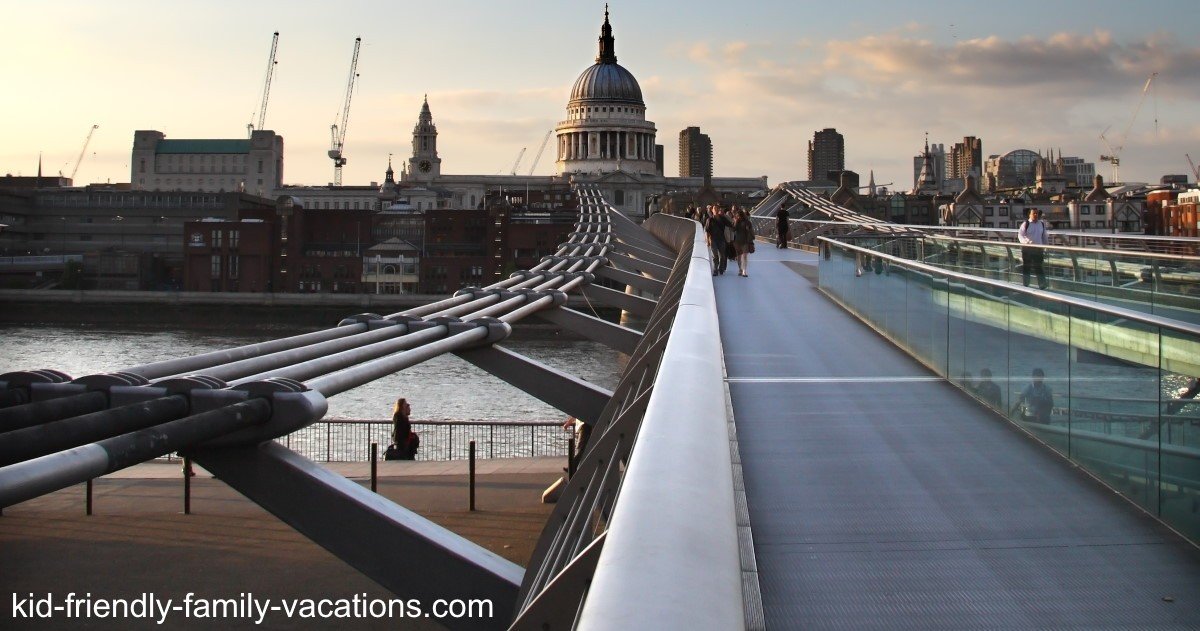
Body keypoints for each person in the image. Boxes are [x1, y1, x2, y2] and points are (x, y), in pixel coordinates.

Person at [1018, 208, 1050, 289]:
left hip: (1038, 249)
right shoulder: (1026, 224)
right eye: (1034, 213)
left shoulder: (1041, 224)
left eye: (1037, 213)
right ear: (1030, 215)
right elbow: (1020, 235)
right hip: (1027, 249)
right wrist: (1025, 242)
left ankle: (1042, 285)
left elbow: (1044, 236)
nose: (1036, 215)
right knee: (1027, 267)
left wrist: (1046, 247)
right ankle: (1026, 284)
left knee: (1039, 267)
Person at [704, 205, 732, 276]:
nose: (716, 210)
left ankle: (721, 268)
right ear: (712, 211)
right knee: (715, 256)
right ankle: (715, 270)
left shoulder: (722, 218)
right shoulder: (709, 220)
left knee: (722, 255)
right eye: (714, 209)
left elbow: (730, 224)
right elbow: (707, 231)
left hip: (721, 239)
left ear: (719, 210)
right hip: (713, 240)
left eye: (717, 209)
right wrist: (707, 241)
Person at [731, 208, 754, 277]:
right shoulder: (737, 222)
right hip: (738, 241)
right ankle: (740, 269)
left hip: (744, 241)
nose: (738, 217)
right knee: (739, 256)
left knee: (744, 256)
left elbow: (750, 230)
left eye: (739, 216)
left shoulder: (747, 222)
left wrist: (748, 229)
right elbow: (733, 229)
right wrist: (735, 222)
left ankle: (744, 271)